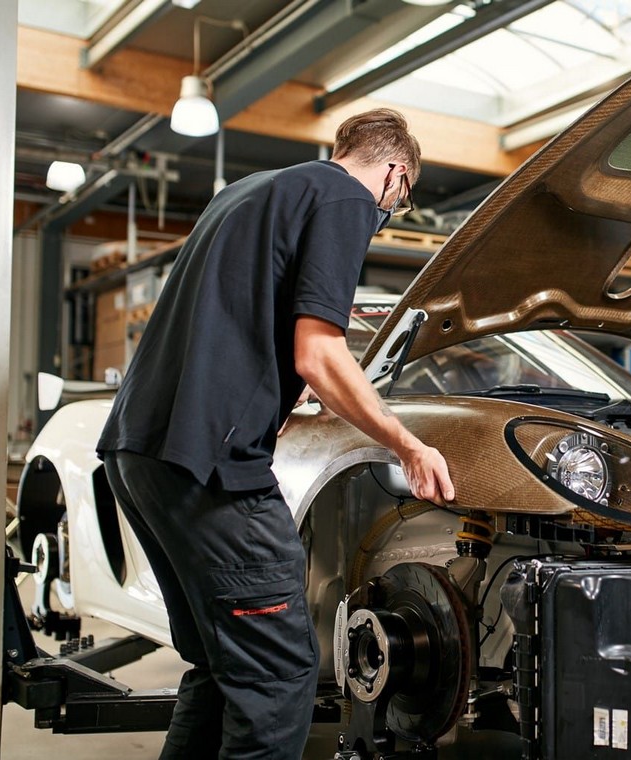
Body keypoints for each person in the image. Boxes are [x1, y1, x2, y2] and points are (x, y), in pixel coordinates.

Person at [96, 108, 455, 759]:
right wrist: (406, 442)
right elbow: (318, 352)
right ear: (395, 174)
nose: (387, 215)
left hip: (138, 452)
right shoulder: (347, 198)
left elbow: (233, 326)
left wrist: (276, 399)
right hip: (210, 468)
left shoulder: (251, 193)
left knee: (221, 668)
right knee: (278, 676)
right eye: (397, 204)